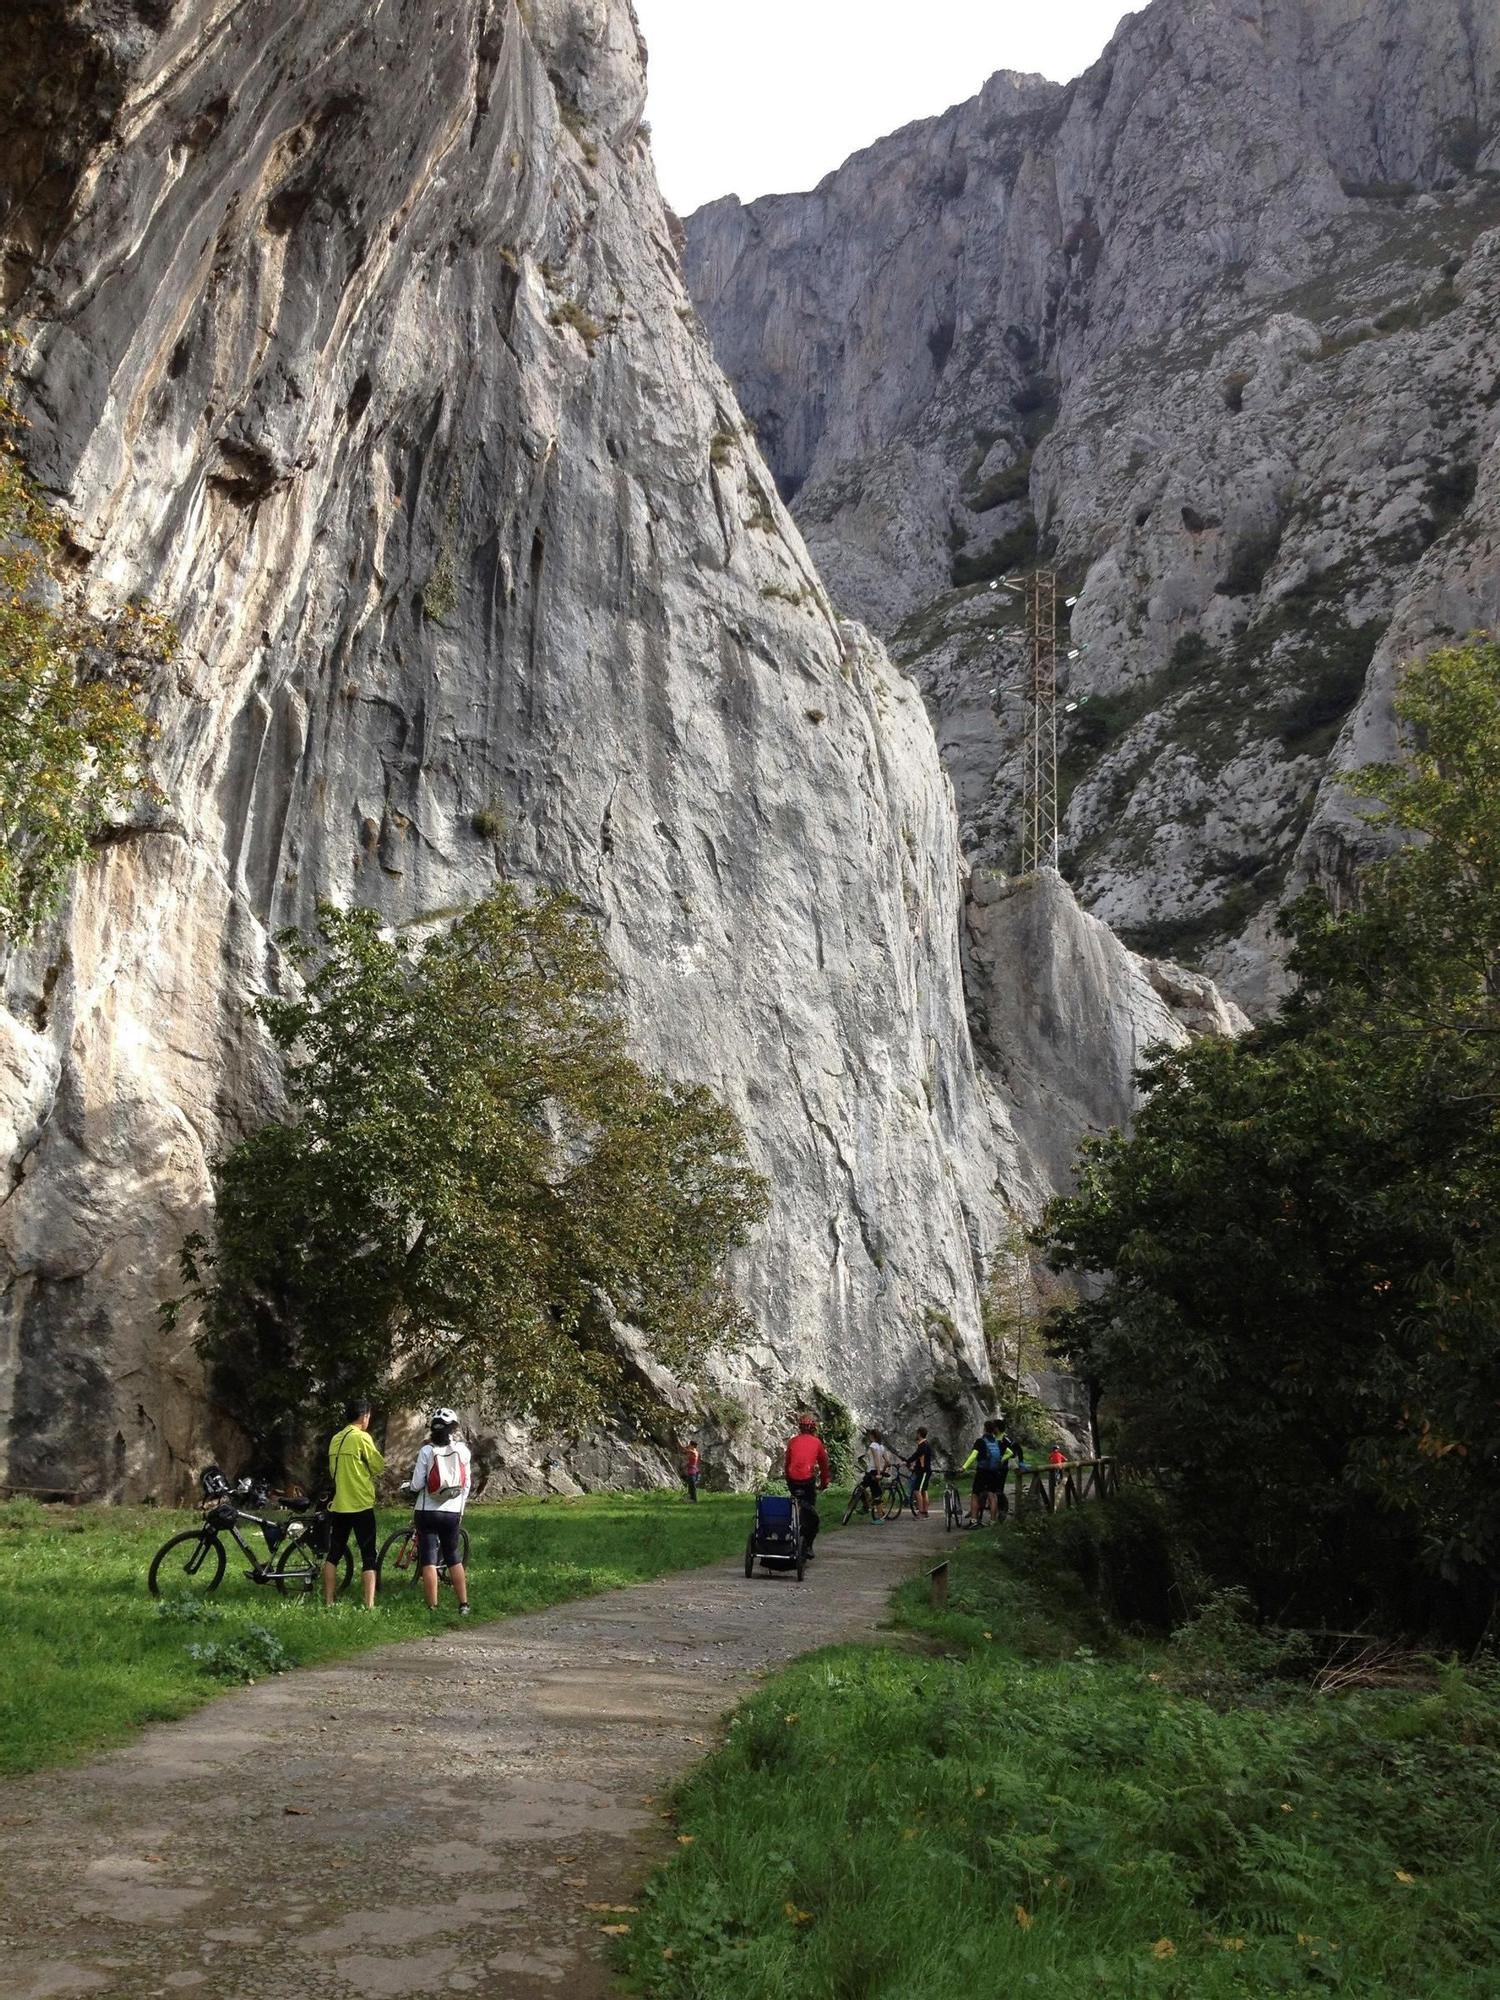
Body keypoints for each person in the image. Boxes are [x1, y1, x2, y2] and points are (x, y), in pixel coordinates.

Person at [409, 1407, 472, 1615]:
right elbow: (467, 1484)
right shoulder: (463, 1451)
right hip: (452, 1512)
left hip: (427, 1511)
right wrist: (460, 1509)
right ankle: (463, 1604)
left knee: (428, 1559)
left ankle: (433, 1607)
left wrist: (410, 1488)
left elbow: (417, 1484)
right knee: (453, 1556)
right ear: (453, 1429)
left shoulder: (427, 1451)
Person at [324, 1397, 384, 1607]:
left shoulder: (335, 1439)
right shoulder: (362, 1437)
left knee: (333, 1554)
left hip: (340, 1504)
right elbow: (378, 1465)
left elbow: (333, 1471)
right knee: (368, 1554)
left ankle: (329, 1601)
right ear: (364, 1416)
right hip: (361, 1504)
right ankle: (369, 1604)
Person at [784, 1411, 830, 1558]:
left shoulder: (792, 1441)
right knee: (811, 1514)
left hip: (792, 1479)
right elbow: (824, 1465)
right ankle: (809, 1546)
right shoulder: (817, 1442)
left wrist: (788, 1479)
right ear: (812, 1428)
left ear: (799, 1428)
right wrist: (824, 1483)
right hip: (807, 1481)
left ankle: (790, 1527)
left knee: (794, 1502)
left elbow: (787, 1464)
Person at [962, 1418, 1012, 1527]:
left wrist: (964, 1467)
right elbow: (1009, 1452)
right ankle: (992, 1521)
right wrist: (1001, 1461)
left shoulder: (980, 1441)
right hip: (994, 1472)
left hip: (982, 1471)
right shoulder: (997, 1442)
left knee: (975, 1495)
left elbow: (973, 1455)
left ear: (984, 1429)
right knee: (992, 1495)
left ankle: (974, 1521)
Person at [863, 1429, 895, 1519]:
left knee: (865, 1489)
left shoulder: (873, 1445)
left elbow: (876, 1459)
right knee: (875, 1492)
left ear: (873, 1436)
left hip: (873, 1471)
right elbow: (887, 1461)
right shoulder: (881, 1446)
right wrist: (883, 1471)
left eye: (870, 1435)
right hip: (878, 1470)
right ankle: (881, 1512)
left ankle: (878, 1515)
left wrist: (878, 1473)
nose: (869, 1437)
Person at [906, 1427, 935, 1518]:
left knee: (917, 1490)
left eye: (917, 1433)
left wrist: (908, 1461)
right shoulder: (924, 1444)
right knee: (923, 1490)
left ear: (919, 1434)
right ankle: (925, 1512)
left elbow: (918, 1456)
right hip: (924, 1471)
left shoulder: (923, 1445)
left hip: (923, 1472)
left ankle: (922, 1512)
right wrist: (914, 1467)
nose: (916, 1435)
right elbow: (920, 1459)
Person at [680, 1438, 701, 1503]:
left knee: (692, 1487)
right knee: (690, 1487)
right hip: (691, 1471)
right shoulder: (693, 1452)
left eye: (689, 1444)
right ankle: (691, 1499)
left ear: (692, 1445)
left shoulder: (694, 1452)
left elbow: (685, 1450)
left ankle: (694, 1500)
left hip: (693, 1472)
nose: (688, 1445)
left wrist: (679, 1443)